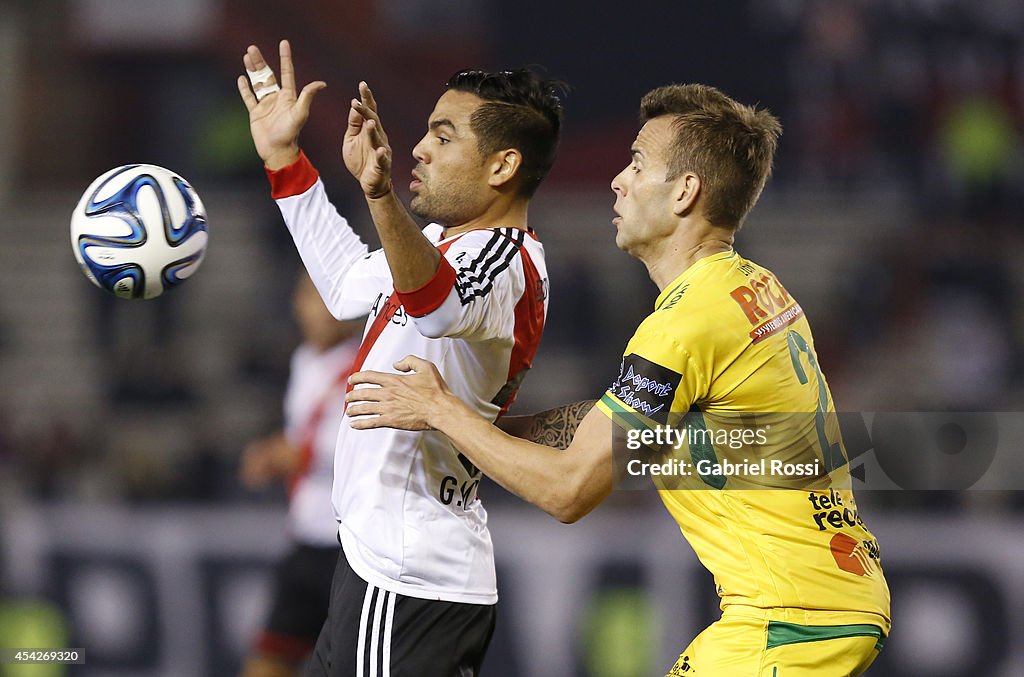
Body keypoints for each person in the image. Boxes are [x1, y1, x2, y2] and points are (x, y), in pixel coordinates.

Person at [347, 84, 892, 676]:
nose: (617, 181)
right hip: (821, 605)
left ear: (685, 192)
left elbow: (569, 492)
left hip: (789, 621)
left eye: (637, 164)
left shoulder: (684, 326)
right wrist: (490, 430)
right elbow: (614, 432)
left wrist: (441, 409)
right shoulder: (755, 290)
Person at [236, 40, 564, 676]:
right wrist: (285, 159)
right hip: (385, 570)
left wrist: (381, 195)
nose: (417, 149)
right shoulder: (446, 243)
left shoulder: (506, 259)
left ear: (502, 167)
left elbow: (435, 306)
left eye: (443, 138)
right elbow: (343, 285)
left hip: (410, 576)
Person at [238, 273, 363, 677]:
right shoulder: (304, 362)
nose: (324, 309)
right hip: (306, 542)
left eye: (333, 298)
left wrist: (283, 456)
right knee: (267, 663)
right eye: (315, 296)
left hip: (351, 550)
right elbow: (301, 436)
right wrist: (276, 453)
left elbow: (353, 447)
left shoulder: (366, 361)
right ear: (297, 303)